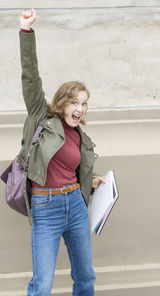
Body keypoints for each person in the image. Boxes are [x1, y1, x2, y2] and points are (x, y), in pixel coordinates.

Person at [19, 8, 105, 296]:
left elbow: (69, 171)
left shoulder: (80, 136)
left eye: (84, 104)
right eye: (74, 102)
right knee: (41, 286)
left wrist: (91, 182)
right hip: (46, 208)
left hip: (76, 206)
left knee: (85, 277)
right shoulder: (41, 118)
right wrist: (26, 31)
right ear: (62, 103)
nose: (79, 108)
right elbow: (31, 78)